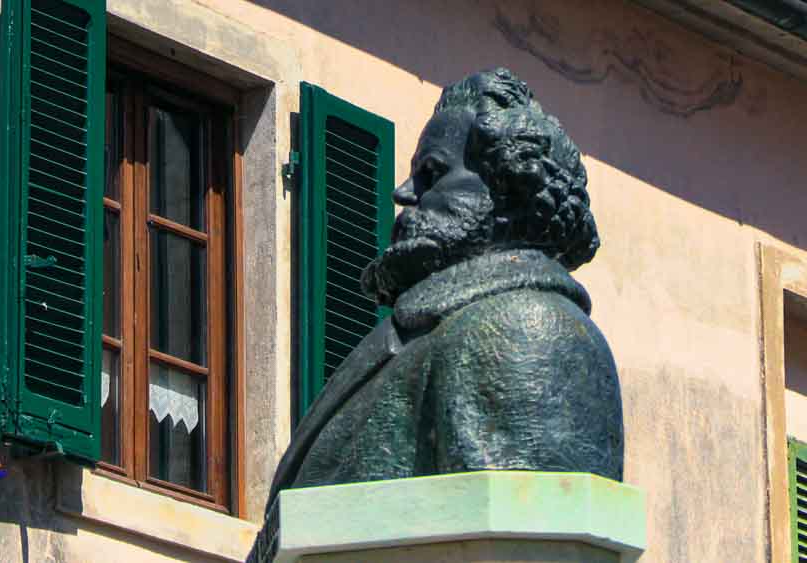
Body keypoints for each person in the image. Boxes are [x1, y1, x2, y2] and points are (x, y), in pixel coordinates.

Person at [266, 68, 624, 512]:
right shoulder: (429, 331)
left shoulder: (524, 328)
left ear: (507, 188)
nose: (402, 193)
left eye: (431, 173)